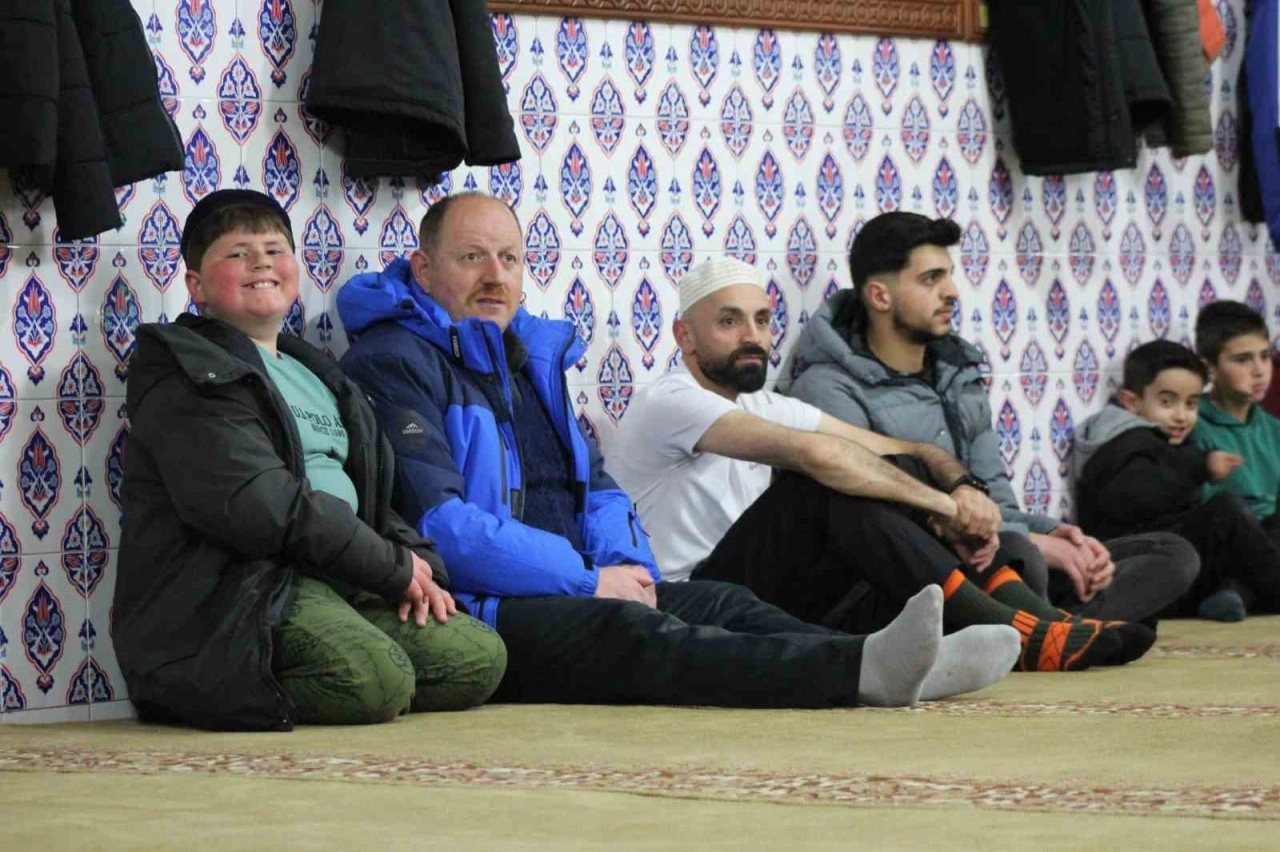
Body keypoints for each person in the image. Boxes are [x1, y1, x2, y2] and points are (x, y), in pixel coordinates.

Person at [336, 191, 1024, 708]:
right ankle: (858, 674)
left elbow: (597, 488)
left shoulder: (527, 362)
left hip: (581, 580)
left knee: (724, 605)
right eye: (471, 257)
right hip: (486, 603)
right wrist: (589, 582)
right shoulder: (395, 362)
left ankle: (889, 659)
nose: (495, 275)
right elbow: (444, 530)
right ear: (424, 269)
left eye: (509, 259)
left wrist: (625, 567)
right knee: (643, 637)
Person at [610, 255, 1157, 673]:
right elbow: (820, 455)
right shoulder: (670, 400)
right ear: (685, 335)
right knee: (821, 486)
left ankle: (1036, 623)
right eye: (729, 322)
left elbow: (910, 451)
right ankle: (1020, 631)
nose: (752, 337)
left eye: (761, 320)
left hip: (764, 588)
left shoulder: (765, 404)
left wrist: (962, 489)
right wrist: (945, 508)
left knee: (898, 476)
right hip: (690, 595)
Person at [114, 189, 507, 731]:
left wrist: (419, 567)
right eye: (237, 253)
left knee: (478, 657)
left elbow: (372, 495)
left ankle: (352, 665)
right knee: (375, 679)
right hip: (239, 594)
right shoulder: (187, 371)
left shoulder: (318, 374)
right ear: (196, 286)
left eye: (275, 249)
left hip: (335, 574)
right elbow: (260, 505)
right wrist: (389, 567)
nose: (261, 262)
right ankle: (193, 689)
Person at [778, 211, 1199, 623]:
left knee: (1172, 553)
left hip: (991, 550)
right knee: (1020, 556)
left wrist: (1056, 534)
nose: (952, 292)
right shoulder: (830, 388)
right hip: (904, 574)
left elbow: (995, 497)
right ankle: (1047, 626)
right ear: (880, 296)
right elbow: (876, 521)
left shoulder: (958, 375)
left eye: (949, 275)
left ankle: (1045, 626)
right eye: (931, 279)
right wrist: (1031, 542)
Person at [1074, 340, 1280, 621]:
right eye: (1167, 402)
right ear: (1131, 401)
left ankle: (1233, 593)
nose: (1181, 416)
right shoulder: (1124, 443)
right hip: (1139, 574)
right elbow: (1139, 498)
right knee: (1226, 511)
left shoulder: (1163, 440)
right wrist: (1201, 467)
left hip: (1176, 562)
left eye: (1191, 403)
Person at [1192, 301, 1280, 531]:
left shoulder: (1274, 429)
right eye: (1243, 359)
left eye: (1265, 356)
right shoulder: (1192, 426)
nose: (1259, 371)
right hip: (1232, 537)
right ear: (1209, 368)